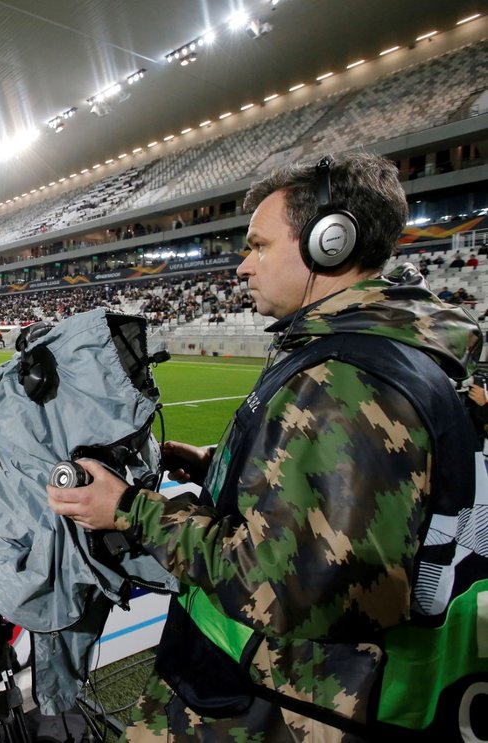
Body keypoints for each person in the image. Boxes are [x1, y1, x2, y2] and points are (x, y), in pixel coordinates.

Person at [47, 152, 483, 741]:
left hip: (272, 706)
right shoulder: (373, 352)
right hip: (269, 691)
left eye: (259, 246)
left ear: (330, 244)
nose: (242, 268)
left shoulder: (348, 380)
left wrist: (128, 510)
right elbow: (344, 509)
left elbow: (287, 582)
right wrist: (220, 469)